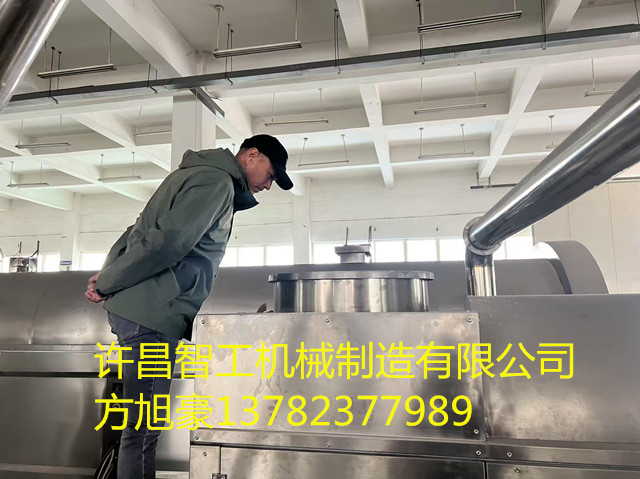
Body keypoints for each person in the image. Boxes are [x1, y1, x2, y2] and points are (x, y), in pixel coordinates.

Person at [85, 134, 292, 479]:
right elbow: (168, 243)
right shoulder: (216, 182)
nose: (268, 186)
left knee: (142, 427)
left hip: (144, 312)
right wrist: (107, 282)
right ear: (252, 155)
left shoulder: (194, 174)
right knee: (143, 430)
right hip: (152, 314)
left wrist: (108, 274)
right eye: (271, 175)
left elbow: (136, 231)